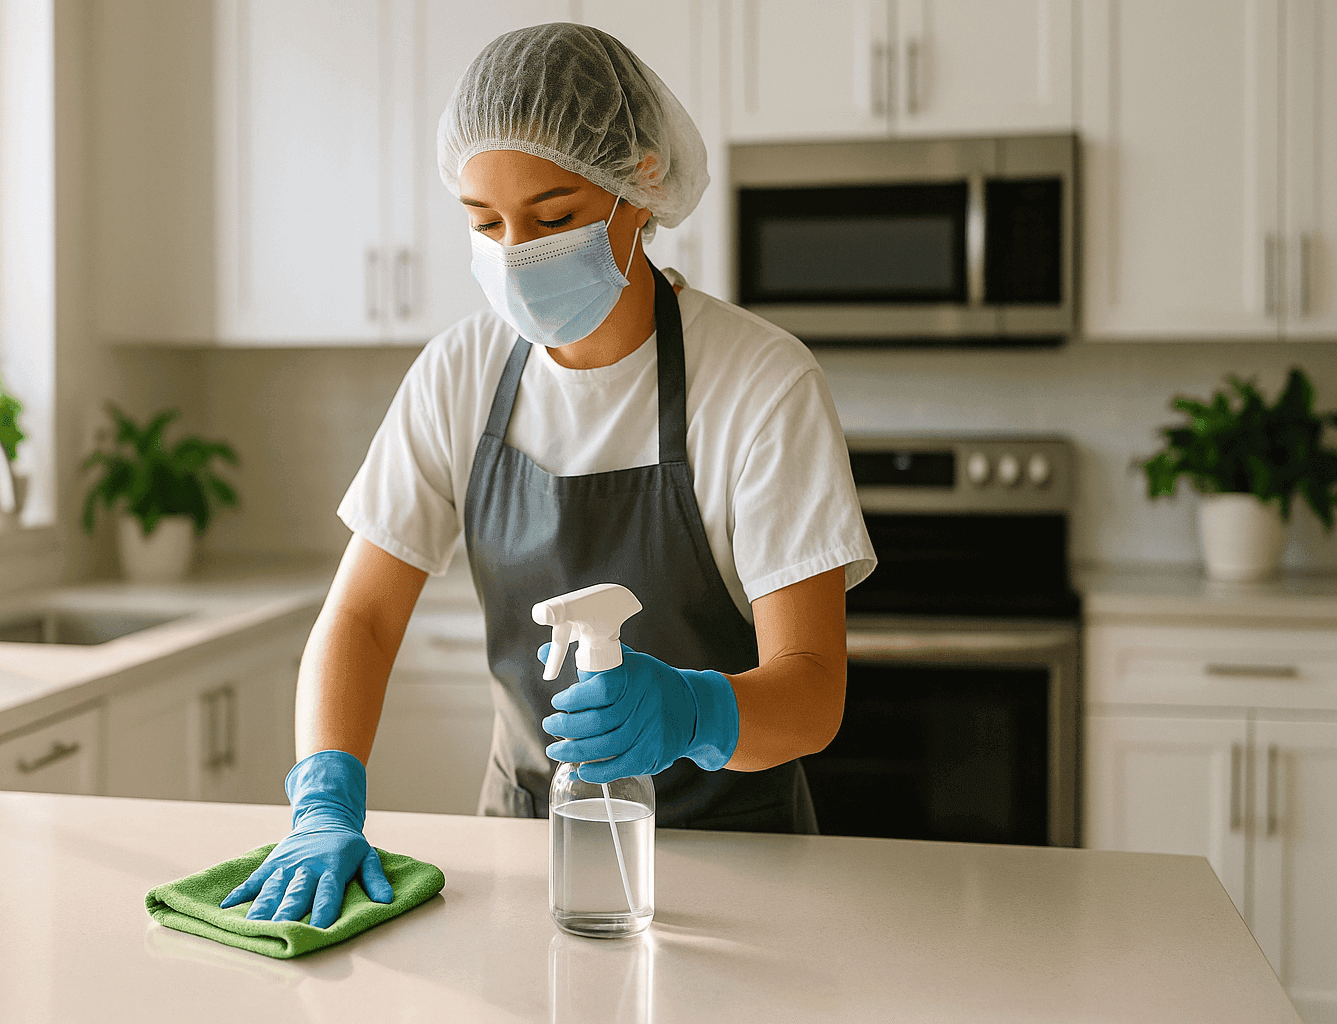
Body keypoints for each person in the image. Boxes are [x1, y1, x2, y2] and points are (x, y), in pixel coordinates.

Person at [220, 22, 875, 929]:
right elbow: (362, 616)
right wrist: (323, 798)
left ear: (640, 186)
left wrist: (690, 710)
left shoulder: (762, 384)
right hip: (526, 845)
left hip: (742, 857)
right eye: (485, 224)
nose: (516, 252)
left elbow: (811, 693)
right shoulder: (461, 373)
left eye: (554, 216)